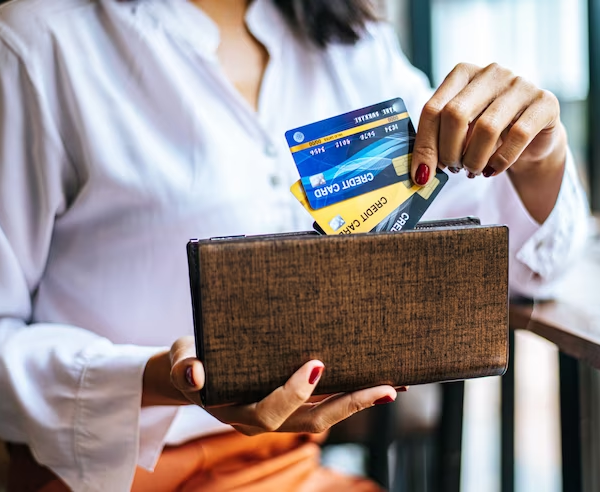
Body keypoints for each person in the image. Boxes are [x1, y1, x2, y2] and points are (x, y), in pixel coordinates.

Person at [0, 0, 589, 490]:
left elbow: (518, 266)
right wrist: (156, 378)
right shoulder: (39, 44)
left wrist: (539, 159)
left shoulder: (352, 44)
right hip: (101, 477)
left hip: (291, 473)